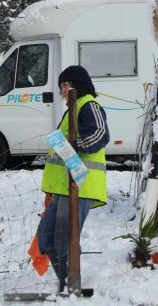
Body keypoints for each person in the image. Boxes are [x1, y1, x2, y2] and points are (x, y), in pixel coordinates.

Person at [36, 65, 109, 292]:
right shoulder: (73, 109)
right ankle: (66, 282)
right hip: (63, 187)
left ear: (80, 85)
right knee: (46, 238)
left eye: (67, 85)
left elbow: (100, 134)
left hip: (80, 186)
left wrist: (73, 145)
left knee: (62, 241)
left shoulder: (89, 105)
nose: (64, 90)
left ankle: (70, 284)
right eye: (61, 86)